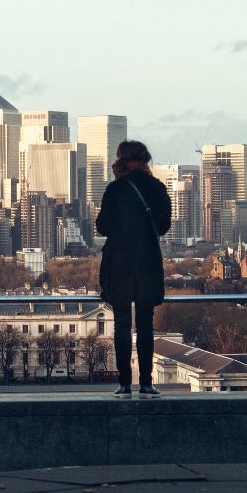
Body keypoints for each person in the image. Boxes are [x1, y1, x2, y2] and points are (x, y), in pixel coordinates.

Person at [96, 140, 171, 398]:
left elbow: (102, 227)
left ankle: (125, 383)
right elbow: (162, 227)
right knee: (145, 324)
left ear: (124, 161)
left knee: (122, 325)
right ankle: (147, 383)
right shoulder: (158, 188)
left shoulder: (115, 189)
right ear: (144, 160)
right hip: (148, 263)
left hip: (119, 264)